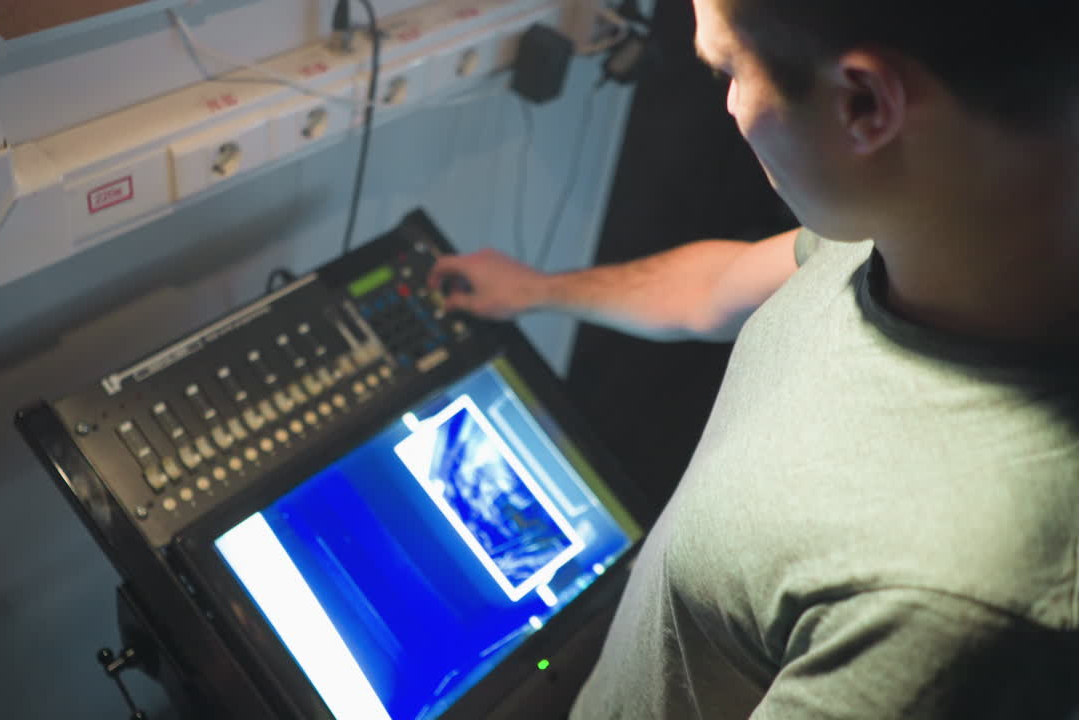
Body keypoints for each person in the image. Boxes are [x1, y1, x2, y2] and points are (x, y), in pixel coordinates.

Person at [429, 0, 1079, 717]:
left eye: (729, 69)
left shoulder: (955, 602)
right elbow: (715, 288)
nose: (732, 106)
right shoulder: (919, 211)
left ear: (864, 103)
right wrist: (537, 290)